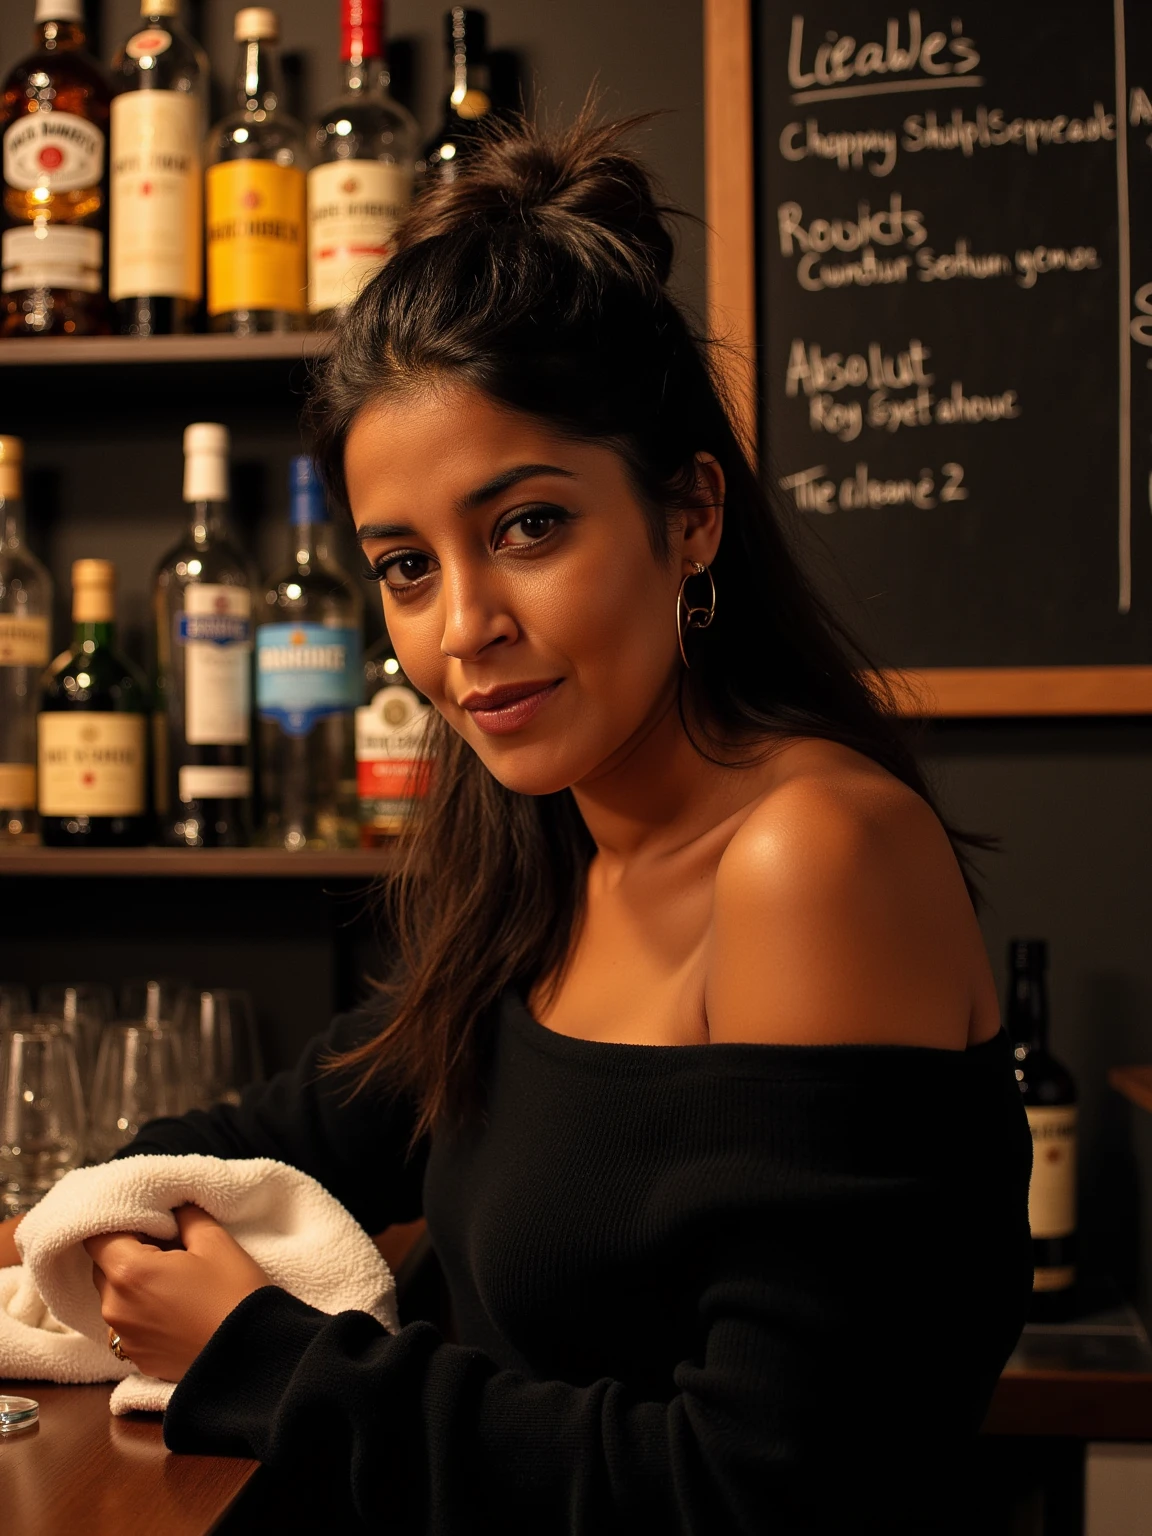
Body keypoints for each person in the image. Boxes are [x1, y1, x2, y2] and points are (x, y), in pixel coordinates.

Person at [0, 114, 1032, 1533]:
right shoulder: (551, 846)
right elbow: (311, 1120)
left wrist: (260, 1357)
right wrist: (85, 1206)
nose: (466, 628)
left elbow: (765, 1491)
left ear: (691, 516)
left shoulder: (812, 857)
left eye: (529, 527)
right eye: (408, 566)